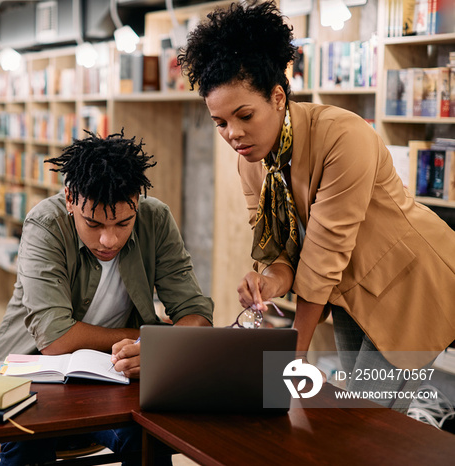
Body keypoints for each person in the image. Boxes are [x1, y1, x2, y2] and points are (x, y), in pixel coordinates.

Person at [178, 1, 455, 413]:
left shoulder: (343, 137)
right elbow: (281, 254)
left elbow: (324, 252)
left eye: (244, 115)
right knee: (359, 421)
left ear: (276, 96)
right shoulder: (252, 165)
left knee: (368, 423)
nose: (233, 133)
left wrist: (294, 351)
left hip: (413, 284)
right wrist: (270, 281)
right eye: (220, 122)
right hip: (348, 290)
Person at [0, 130, 213, 465]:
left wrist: (166, 345)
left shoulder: (155, 218)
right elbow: (55, 338)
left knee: (150, 439)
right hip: (34, 375)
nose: (109, 239)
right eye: (92, 223)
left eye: (123, 223)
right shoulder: (44, 225)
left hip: (113, 378)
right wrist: (152, 338)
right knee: (28, 440)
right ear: (69, 199)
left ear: (137, 201)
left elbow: (195, 313)